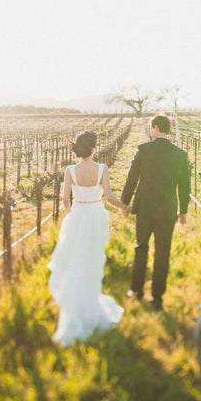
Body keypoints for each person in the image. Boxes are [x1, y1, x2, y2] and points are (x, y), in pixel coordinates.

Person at [48, 130, 127, 346]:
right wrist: (125, 207)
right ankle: (90, 300)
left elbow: (65, 199)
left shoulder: (70, 170)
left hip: (77, 215)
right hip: (96, 215)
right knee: (93, 259)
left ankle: (76, 302)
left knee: (75, 260)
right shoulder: (102, 168)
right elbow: (109, 196)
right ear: (93, 149)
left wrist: (73, 216)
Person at [121, 114, 191, 311]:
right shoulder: (180, 154)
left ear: (157, 128)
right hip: (167, 210)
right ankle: (158, 298)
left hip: (144, 208)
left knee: (140, 248)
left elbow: (131, 179)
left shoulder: (143, 150)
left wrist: (125, 203)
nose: (151, 132)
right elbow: (185, 185)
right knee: (163, 253)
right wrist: (183, 210)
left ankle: (136, 291)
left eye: (152, 128)